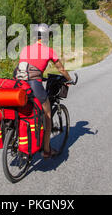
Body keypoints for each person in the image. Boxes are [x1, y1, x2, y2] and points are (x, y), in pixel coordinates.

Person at [17, 24, 72, 159]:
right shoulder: (48, 51)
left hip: (19, 85)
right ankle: (46, 150)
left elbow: (26, 67)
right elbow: (61, 69)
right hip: (34, 84)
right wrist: (69, 79)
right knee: (47, 114)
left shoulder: (25, 49)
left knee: (25, 111)